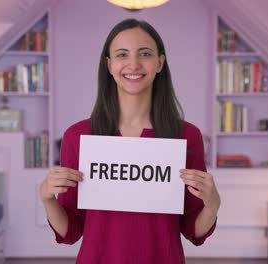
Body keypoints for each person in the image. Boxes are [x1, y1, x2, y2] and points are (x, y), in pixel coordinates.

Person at [39, 18, 221, 264]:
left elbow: (193, 230)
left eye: (144, 54)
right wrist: (47, 197)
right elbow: (71, 231)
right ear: (110, 65)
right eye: (122, 55)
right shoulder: (78, 136)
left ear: (159, 63)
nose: (133, 64)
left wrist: (212, 205)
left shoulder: (187, 136)